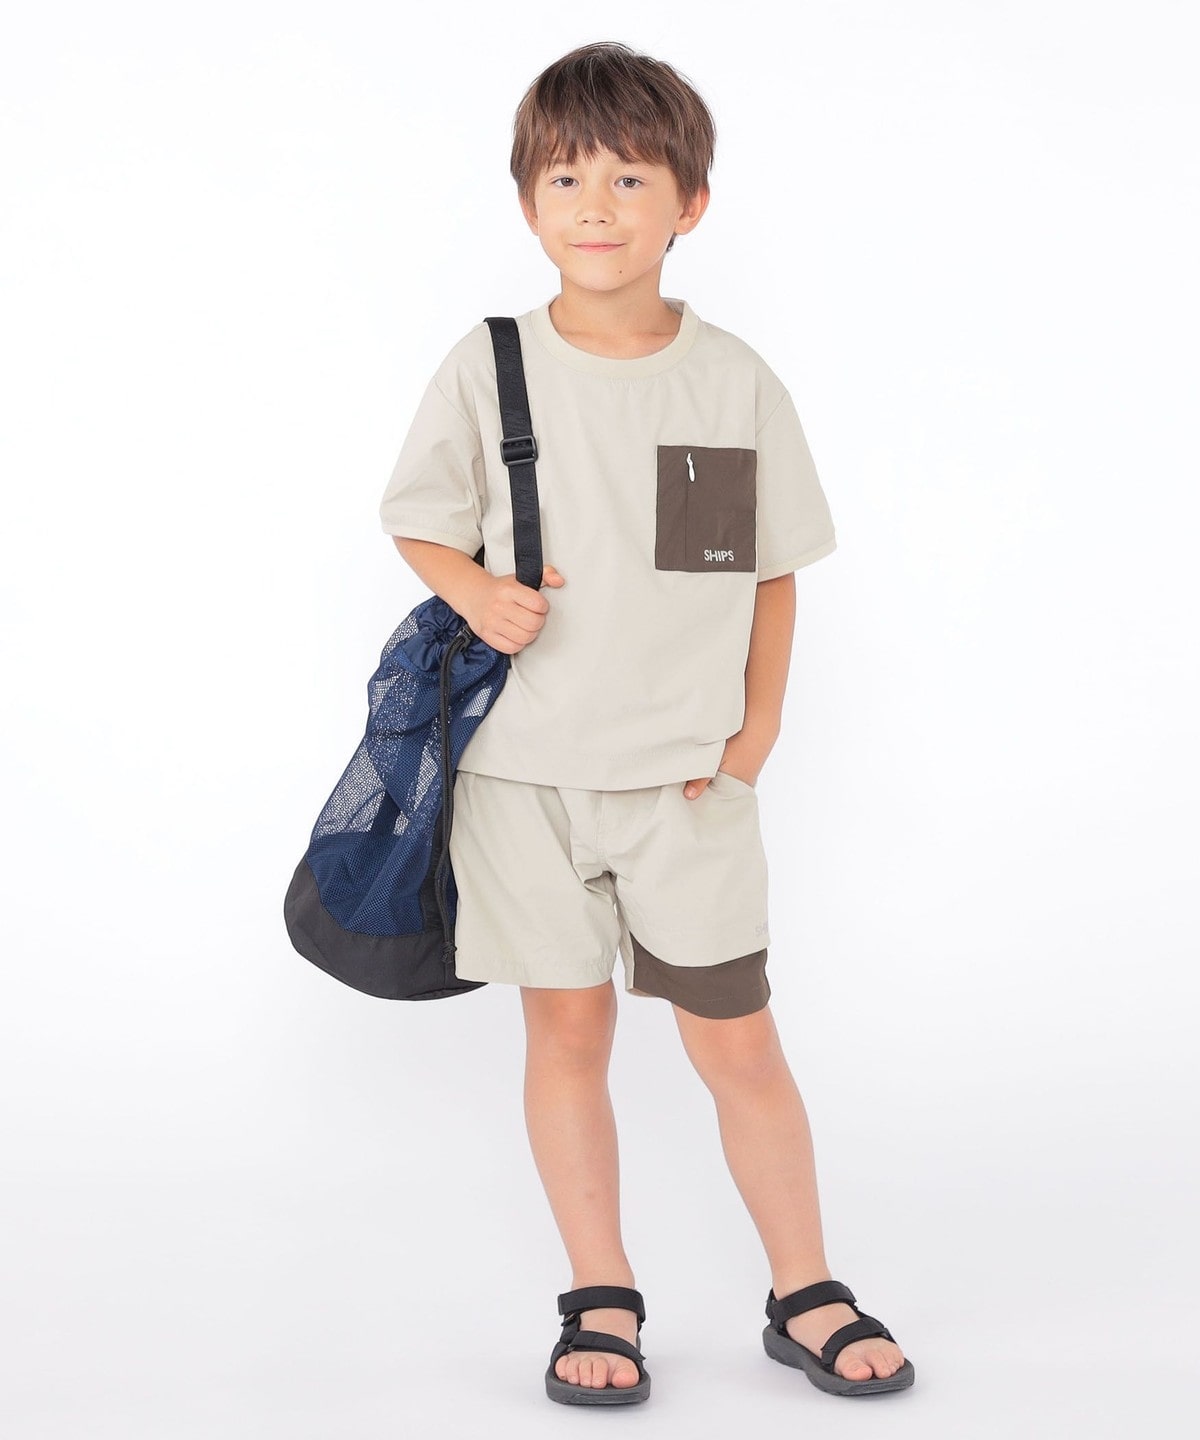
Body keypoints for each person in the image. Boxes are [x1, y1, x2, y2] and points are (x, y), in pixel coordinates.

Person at [378, 40, 914, 1406]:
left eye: (630, 176)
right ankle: (600, 1293)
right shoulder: (491, 364)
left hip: (687, 784)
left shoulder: (730, 380)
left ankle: (805, 1287)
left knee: (739, 1041)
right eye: (566, 178)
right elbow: (421, 522)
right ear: (528, 204)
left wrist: (756, 731)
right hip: (524, 783)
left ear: (692, 204)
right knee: (566, 1037)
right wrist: (475, 592)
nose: (597, 204)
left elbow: (763, 568)